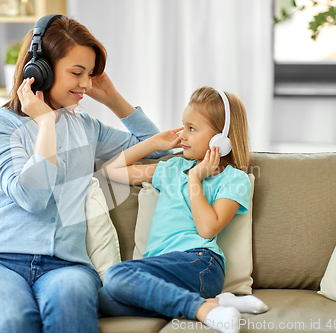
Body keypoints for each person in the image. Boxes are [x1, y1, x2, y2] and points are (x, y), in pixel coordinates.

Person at [0, 15, 170, 333]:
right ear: (38, 70)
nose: (85, 84)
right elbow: (32, 197)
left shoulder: (85, 127)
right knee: (15, 322)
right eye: (76, 73)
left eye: (90, 74)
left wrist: (112, 99)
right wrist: (46, 125)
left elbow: (157, 149)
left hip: (65, 266)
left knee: (72, 315)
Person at [98, 87, 268, 333]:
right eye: (183, 126)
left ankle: (205, 310)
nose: (183, 136)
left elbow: (207, 228)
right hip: (160, 269)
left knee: (116, 275)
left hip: (199, 264)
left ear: (220, 139)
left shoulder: (234, 179)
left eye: (192, 129)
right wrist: (154, 142)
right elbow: (111, 170)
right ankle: (214, 303)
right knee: (104, 299)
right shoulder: (171, 168)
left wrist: (195, 180)